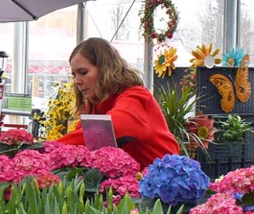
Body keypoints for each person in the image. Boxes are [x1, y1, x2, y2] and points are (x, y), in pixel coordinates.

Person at [56, 37, 179, 169]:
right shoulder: (94, 107)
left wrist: (45, 149)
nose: (77, 81)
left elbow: (113, 125)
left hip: (167, 183)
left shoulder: (136, 97)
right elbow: (78, 145)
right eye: (74, 75)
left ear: (105, 69)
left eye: (83, 72)